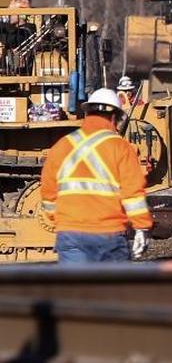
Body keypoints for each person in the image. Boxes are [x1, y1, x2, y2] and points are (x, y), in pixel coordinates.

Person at [39, 87, 153, 263]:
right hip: (109, 234)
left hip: (70, 234)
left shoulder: (61, 146)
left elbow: (48, 195)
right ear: (115, 117)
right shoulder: (121, 147)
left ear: (87, 113)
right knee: (109, 290)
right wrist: (142, 227)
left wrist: (62, 221)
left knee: (75, 290)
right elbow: (133, 194)